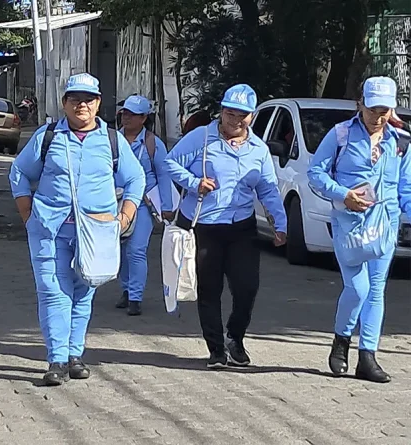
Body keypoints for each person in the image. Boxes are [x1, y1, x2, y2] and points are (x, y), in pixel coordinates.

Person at [9, 73, 145, 386]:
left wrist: (124, 217)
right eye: (74, 99)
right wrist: (27, 213)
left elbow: (136, 179)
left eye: (88, 99)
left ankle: (74, 354)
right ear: (64, 103)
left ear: (98, 103)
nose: (81, 105)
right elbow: (19, 172)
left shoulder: (112, 140)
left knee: (84, 293)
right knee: (54, 293)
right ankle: (56, 358)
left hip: (97, 233)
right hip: (49, 230)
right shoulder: (49, 136)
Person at [163, 84, 287, 369]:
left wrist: (280, 224)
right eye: (231, 113)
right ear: (221, 111)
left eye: (243, 115)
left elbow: (268, 189)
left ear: (252, 117)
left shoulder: (259, 149)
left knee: (247, 288)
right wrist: (195, 184)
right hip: (204, 227)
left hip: (241, 228)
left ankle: (235, 337)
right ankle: (216, 349)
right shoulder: (201, 138)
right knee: (209, 289)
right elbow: (170, 163)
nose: (236, 121)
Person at [307, 77, 411, 383]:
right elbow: (315, 173)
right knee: (358, 288)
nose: (377, 116)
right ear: (359, 104)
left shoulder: (400, 142)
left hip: (385, 226)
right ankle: (341, 341)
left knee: (376, 290)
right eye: (372, 109)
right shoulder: (340, 135)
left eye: (384, 109)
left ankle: (368, 357)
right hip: (349, 225)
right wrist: (343, 195)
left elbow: (406, 188)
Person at [115, 95, 175, 316]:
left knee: (136, 250)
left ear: (143, 118)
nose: (126, 117)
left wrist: (167, 206)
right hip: (116, 203)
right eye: (125, 113)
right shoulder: (113, 140)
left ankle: (135, 298)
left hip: (143, 204)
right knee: (119, 250)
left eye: (132, 114)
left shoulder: (152, 143)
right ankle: (126, 289)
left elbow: (164, 175)